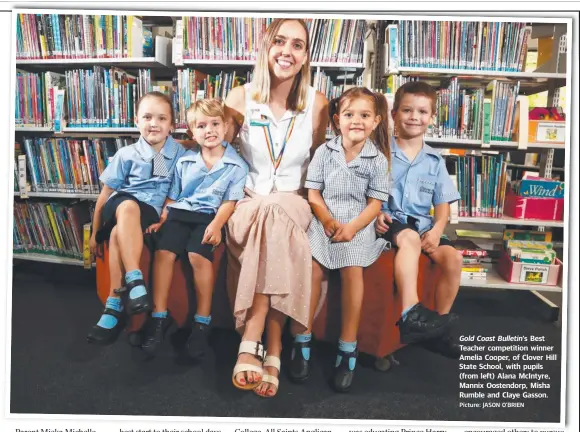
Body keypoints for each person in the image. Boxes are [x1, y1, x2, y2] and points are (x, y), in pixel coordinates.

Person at [223, 18, 329, 397]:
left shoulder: (318, 105)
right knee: (270, 217)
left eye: (297, 45)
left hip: (296, 202)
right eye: (280, 42)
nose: (287, 51)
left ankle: (252, 340)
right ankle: (275, 345)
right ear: (267, 47)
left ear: (305, 57)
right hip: (248, 202)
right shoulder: (239, 98)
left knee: (279, 213)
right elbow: (217, 153)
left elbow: (320, 163)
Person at [139, 99, 248, 358]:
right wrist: (161, 219)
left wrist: (217, 225)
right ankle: (158, 317)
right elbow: (173, 196)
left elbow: (229, 202)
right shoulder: (183, 160)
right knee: (164, 253)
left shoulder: (237, 165)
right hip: (179, 214)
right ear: (191, 132)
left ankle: (202, 322)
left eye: (215, 124)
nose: (209, 130)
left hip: (208, 217)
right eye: (201, 126)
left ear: (225, 127)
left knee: (198, 256)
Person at [305, 87, 391, 392]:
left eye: (365, 115)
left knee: (352, 270)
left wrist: (353, 227)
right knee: (313, 269)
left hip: (358, 221)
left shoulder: (376, 159)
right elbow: (313, 192)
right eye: (350, 114)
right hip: (324, 217)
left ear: (376, 120)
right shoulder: (323, 153)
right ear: (336, 121)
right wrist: (327, 219)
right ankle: (301, 340)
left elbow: (375, 204)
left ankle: (347, 347)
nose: (357, 121)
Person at [87, 91, 187, 344]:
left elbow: (176, 193)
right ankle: (135, 282)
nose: (154, 123)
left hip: (150, 212)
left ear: (172, 125)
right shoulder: (126, 154)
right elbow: (105, 195)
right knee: (127, 207)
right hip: (120, 205)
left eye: (161, 118)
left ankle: (113, 304)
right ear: (136, 121)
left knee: (117, 234)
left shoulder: (180, 155)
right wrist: (92, 234)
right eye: (147, 117)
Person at [375, 81, 463, 358]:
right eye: (407, 110)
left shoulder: (435, 161)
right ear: (394, 115)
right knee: (410, 239)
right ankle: (411, 314)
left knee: (454, 259)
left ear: (431, 118)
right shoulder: (380, 153)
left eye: (423, 112)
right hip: (391, 221)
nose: (415, 117)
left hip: (424, 225)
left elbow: (442, 205)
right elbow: (365, 191)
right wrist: (376, 213)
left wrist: (437, 230)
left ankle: (437, 326)